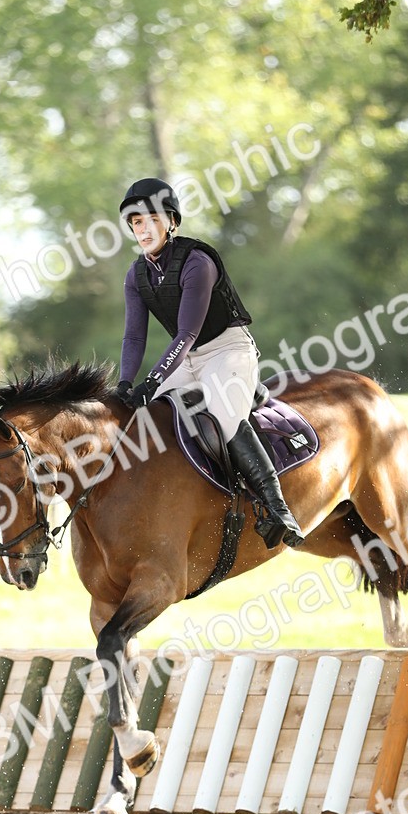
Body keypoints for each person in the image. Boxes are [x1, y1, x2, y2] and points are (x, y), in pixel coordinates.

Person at [116, 176, 304, 550]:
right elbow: (134, 337)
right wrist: (125, 382)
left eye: (150, 219)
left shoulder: (197, 261)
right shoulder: (136, 275)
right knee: (148, 415)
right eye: (136, 222)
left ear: (170, 221)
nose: (143, 229)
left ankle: (277, 509)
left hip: (228, 349)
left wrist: (151, 381)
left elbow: (185, 334)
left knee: (220, 409)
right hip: (186, 360)